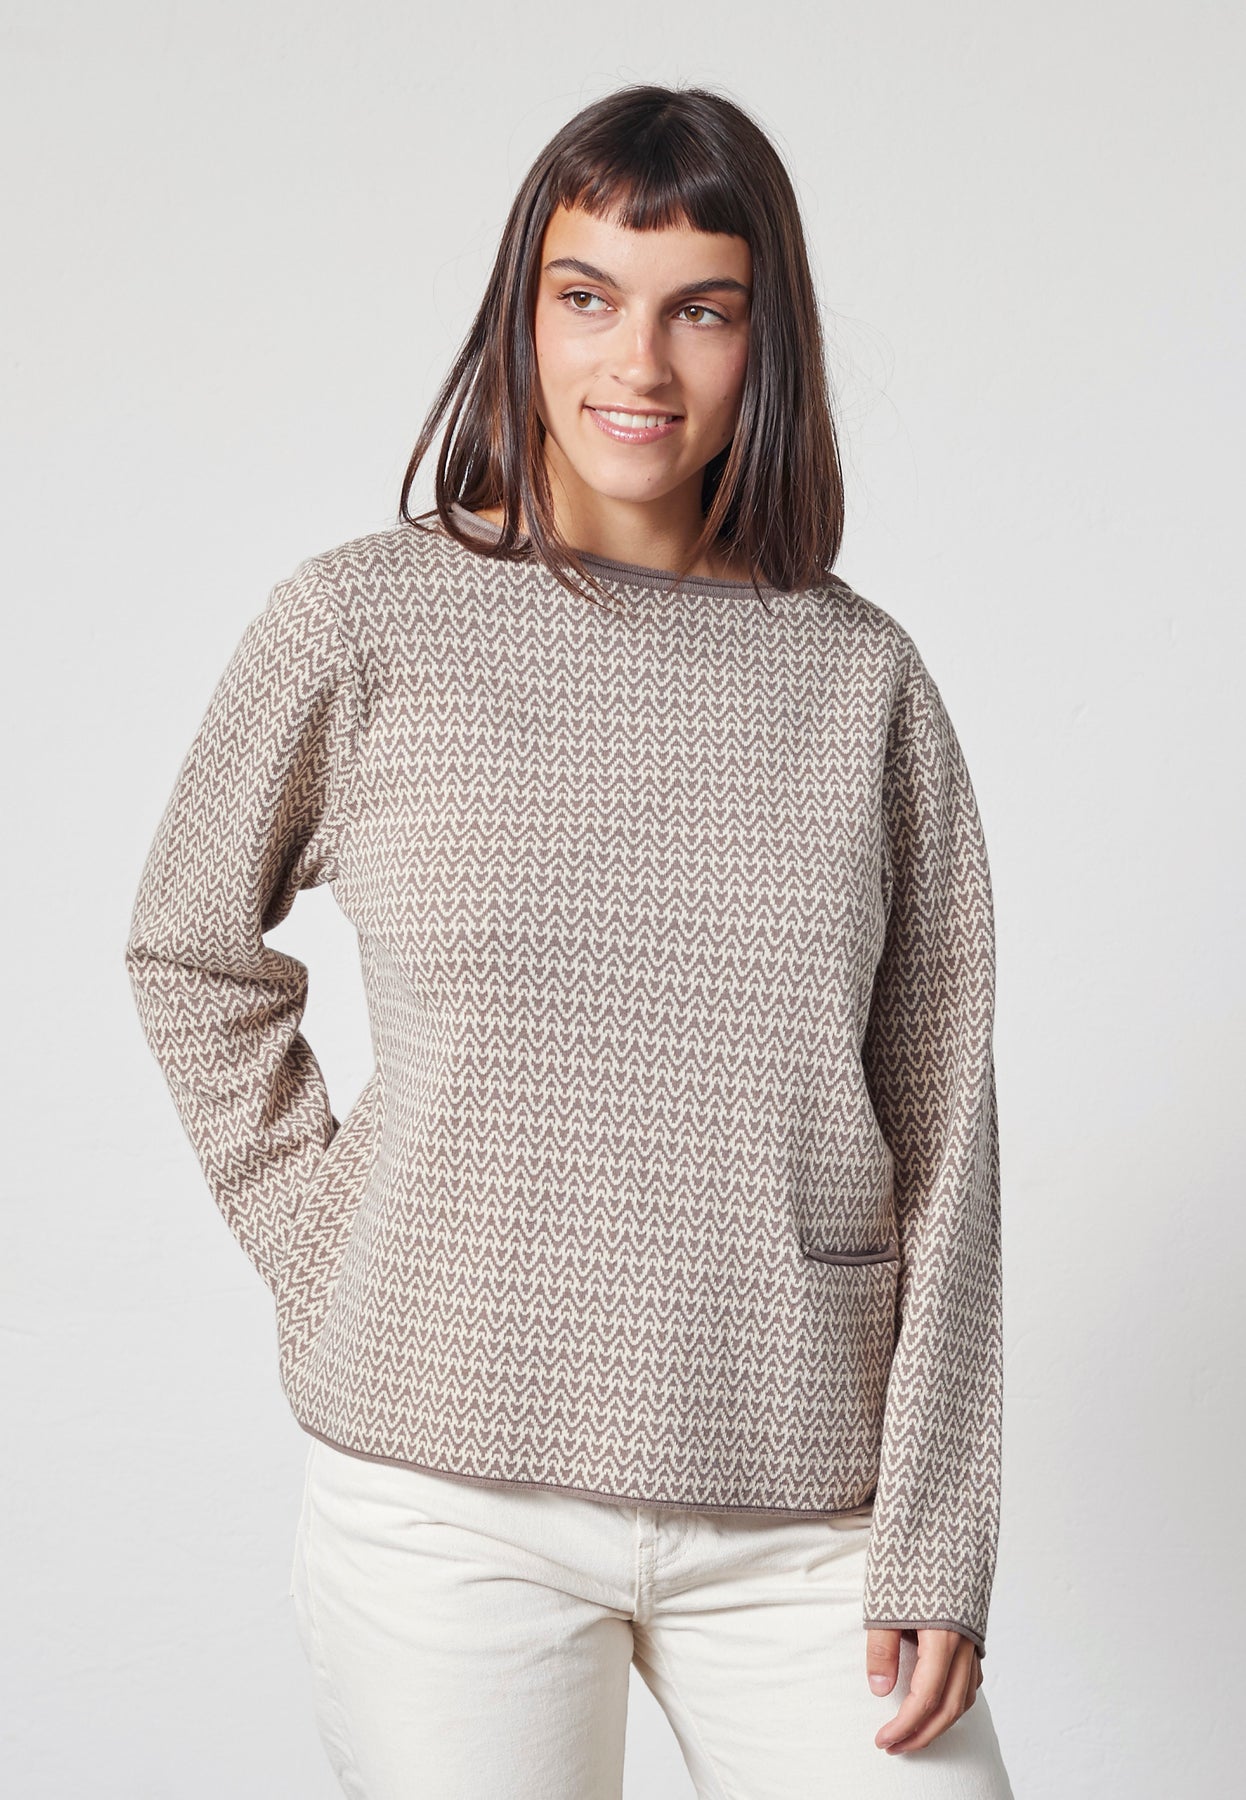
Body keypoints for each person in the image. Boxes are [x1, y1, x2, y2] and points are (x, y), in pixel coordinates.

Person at [124, 82, 1013, 1799]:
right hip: (444, 1498)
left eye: (703, 310)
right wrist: (333, 1244)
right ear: (519, 315)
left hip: (802, 1504)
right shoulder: (359, 624)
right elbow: (187, 948)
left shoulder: (863, 683)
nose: (639, 364)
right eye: (587, 296)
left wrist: (937, 1526)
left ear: (765, 340)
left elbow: (945, 1129)